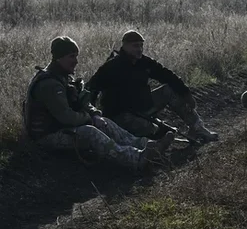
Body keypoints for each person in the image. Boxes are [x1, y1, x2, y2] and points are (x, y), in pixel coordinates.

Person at [23, 36, 174, 172]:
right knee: (90, 132)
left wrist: (94, 113)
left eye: (76, 56)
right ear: (58, 58)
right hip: (47, 136)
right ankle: (136, 159)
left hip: (62, 128)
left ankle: (147, 146)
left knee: (104, 123)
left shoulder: (63, 78)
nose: (76, 61)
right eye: (71, 56)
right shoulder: (50, 84)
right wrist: (88, 118)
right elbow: (66, 117)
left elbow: (82, 102)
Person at [85, 30, 218, 142]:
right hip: (122, 115)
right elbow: (90, 89)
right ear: (124, 46)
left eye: (141, 46)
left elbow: (167, 75)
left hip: (144, 107)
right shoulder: (111, 67)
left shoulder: (144, 62)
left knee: (168, 90)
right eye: (135, 46)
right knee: (157, 133)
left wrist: (186, 94)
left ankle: (198, 129)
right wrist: (94, 116)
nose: (139, 49)